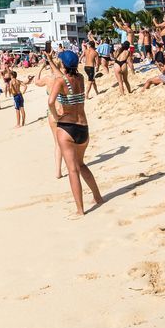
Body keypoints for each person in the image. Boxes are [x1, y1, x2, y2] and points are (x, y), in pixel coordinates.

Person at [46, 51, 105, 216]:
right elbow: (65, 78)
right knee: (81, 164)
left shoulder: (60, 82)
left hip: (67, 127)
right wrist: (50, 60)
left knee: (72, 170)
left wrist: (56, 115)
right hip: (83, 127)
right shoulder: (80, 78)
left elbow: (51, 101)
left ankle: (80, 210)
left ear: (63, 65)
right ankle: (98, 197)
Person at [34, 49, 67, 179]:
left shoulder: (48, 79)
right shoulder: (63, 78)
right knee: (69, 141)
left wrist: (41, 67)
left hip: (52, 113)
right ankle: (72, 164)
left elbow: (36, 81)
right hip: (64, 110)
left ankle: (58, 171)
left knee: (57, 143)